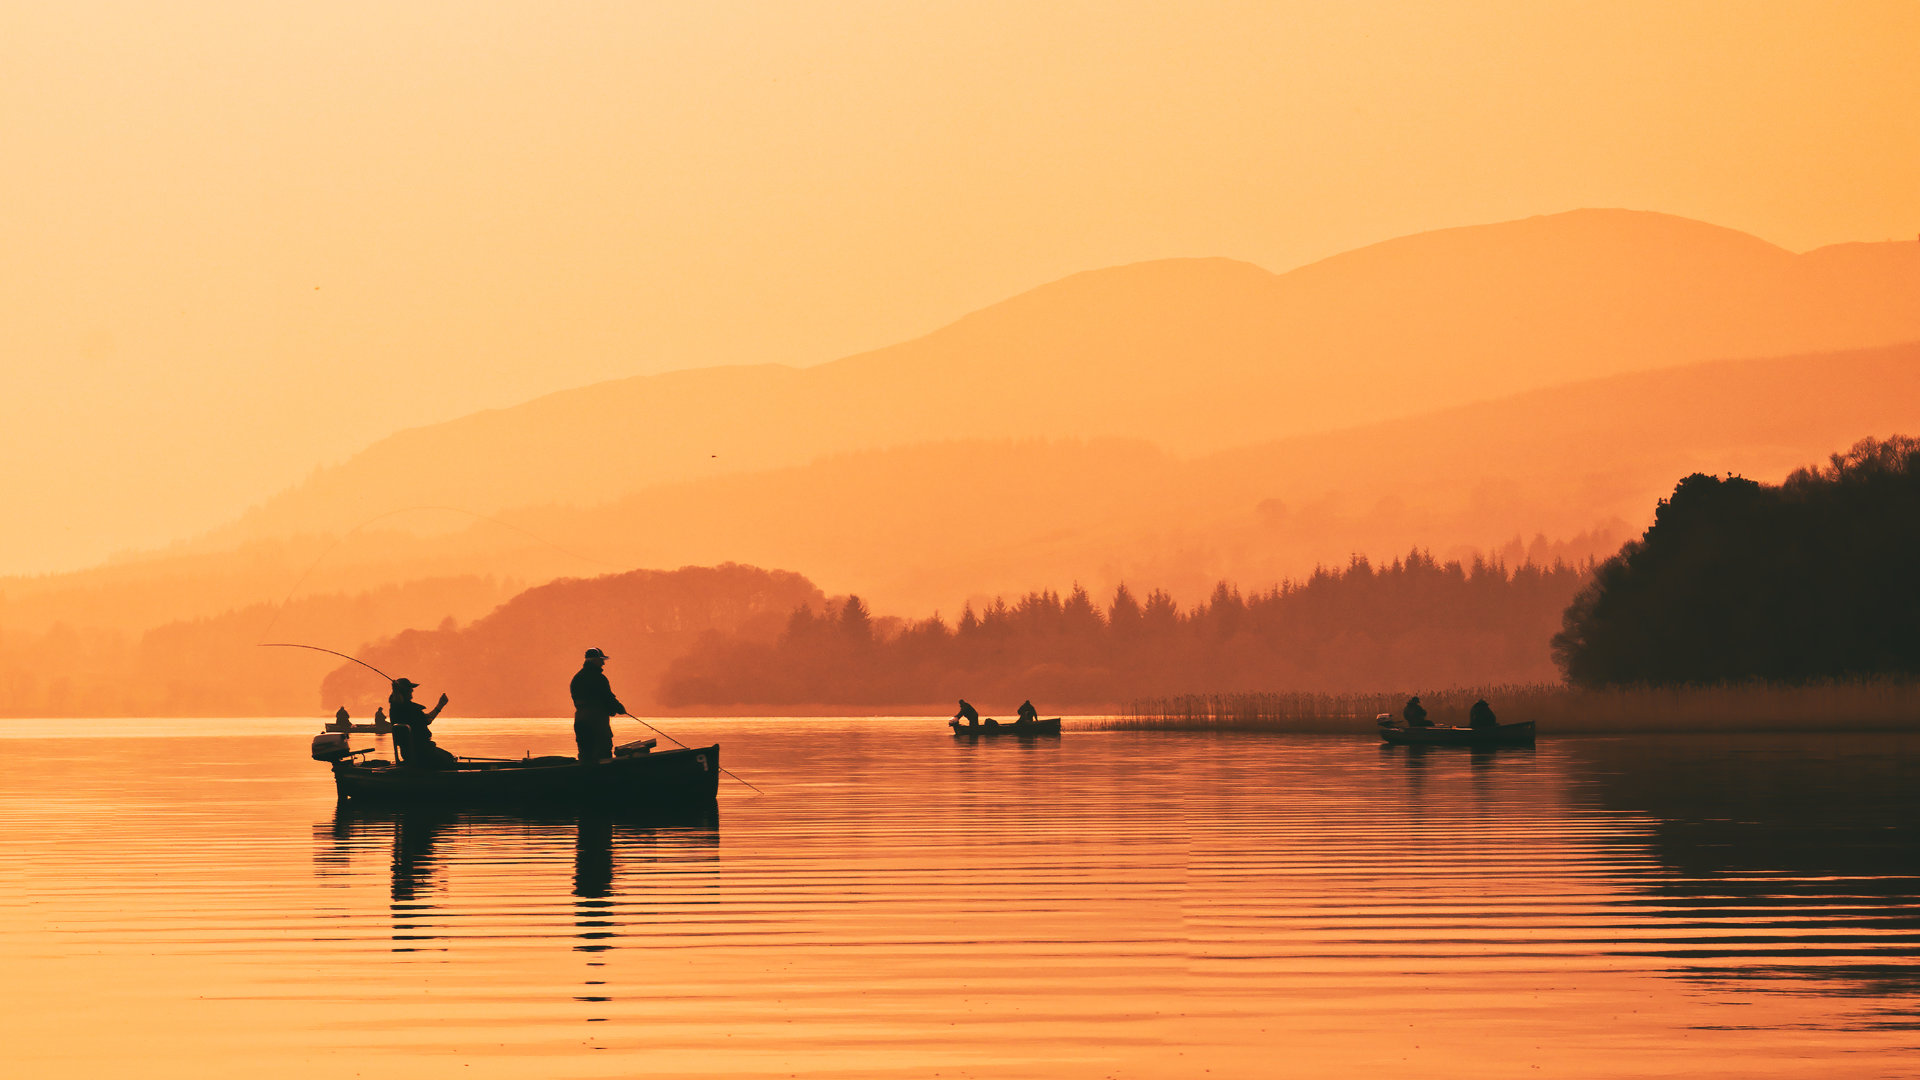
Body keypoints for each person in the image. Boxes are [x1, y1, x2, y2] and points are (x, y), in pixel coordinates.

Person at [570, 648, 626, 762]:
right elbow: (607, 697)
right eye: (601, 660)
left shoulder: (576, 678)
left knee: (585, 753)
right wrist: (619, 708)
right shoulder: (599, 678)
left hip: (580, 719)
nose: (603, 663)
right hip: (596, 720)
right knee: (603, 752)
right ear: (594, 660)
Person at [389, 678, 454, 768]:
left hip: (408, 753)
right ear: (406, 691)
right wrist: (440, 705)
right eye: (410, 689)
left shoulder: (395, 709)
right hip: (422, 752)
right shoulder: (409, 709)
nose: (412, 690)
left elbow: (425, 719)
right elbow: (428, 720)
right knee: (450, 758)